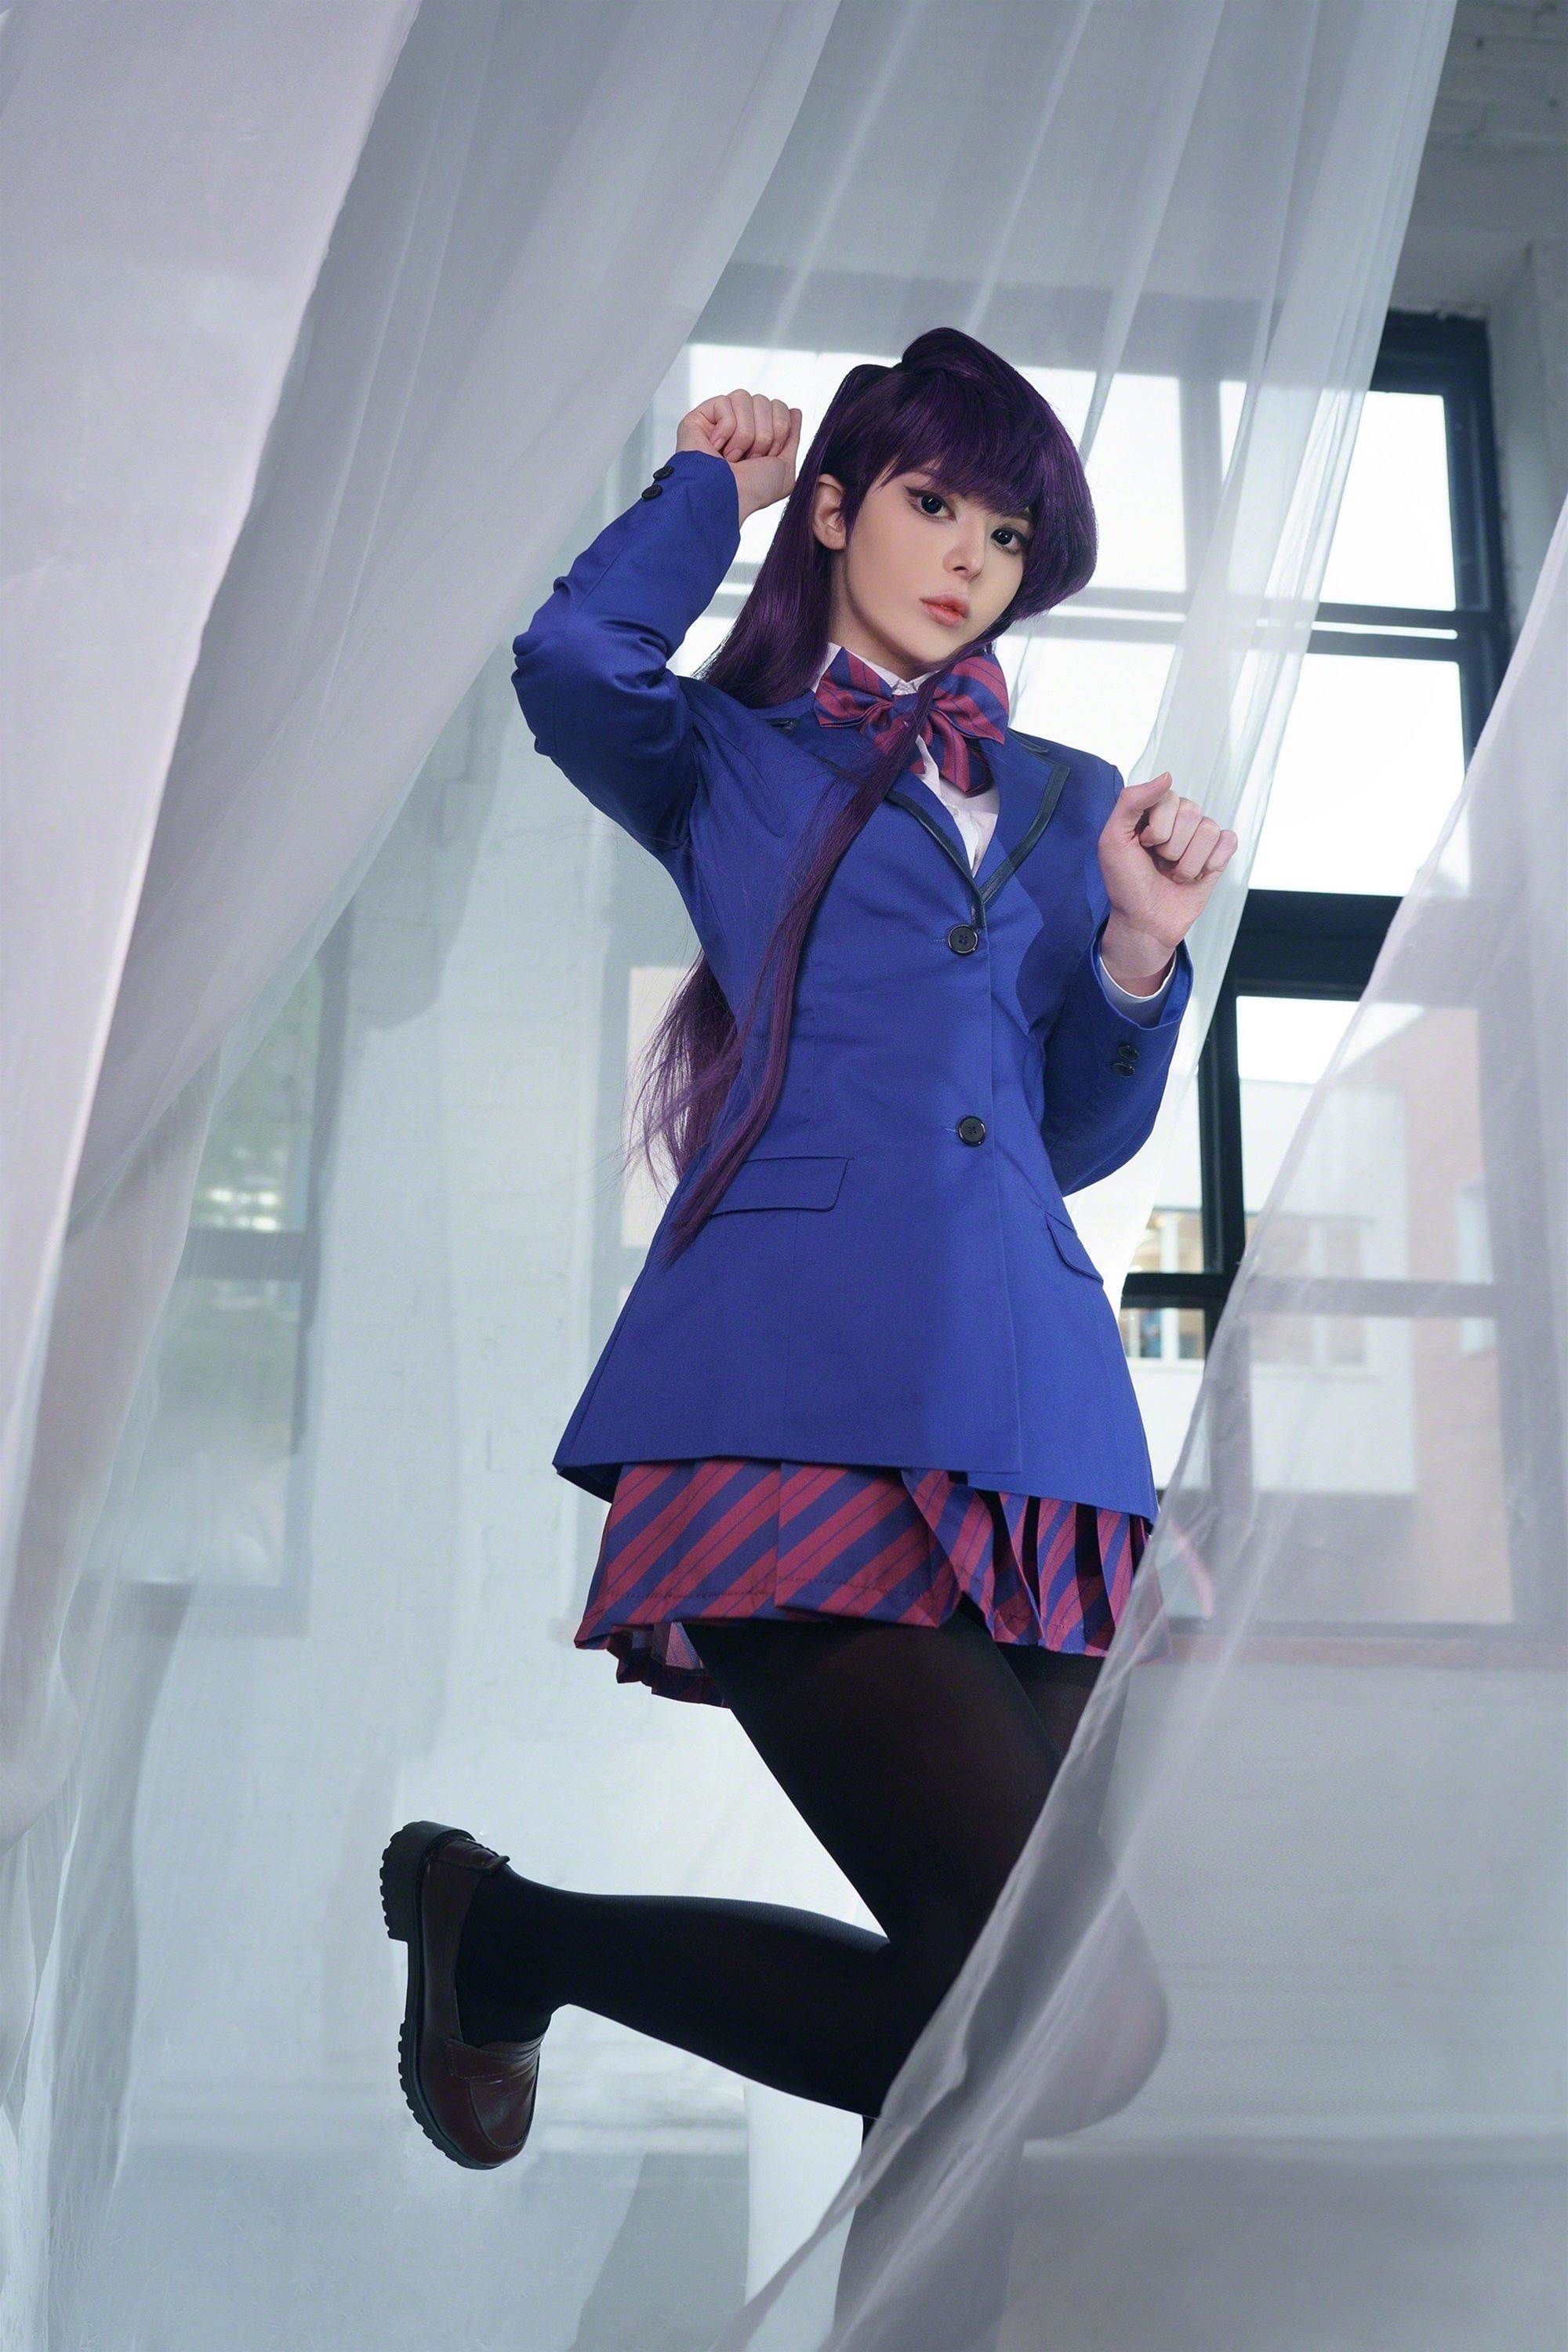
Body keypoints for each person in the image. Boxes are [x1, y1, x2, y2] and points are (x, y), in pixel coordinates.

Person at [380, 328, 1236, 2188]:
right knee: (1046, 2022)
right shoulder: (725, 759)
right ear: (839, 508)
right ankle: (512, 1940)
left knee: (1041, 2026)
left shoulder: (1073, 798)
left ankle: (503, 1936)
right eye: (933, 504)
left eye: (1006, 536)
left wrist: (1139, 955)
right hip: (790, 1402)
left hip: (1040, 1434)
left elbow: (1068, 1140)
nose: (967, 560)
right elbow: (570, 663)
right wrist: (711, 488)